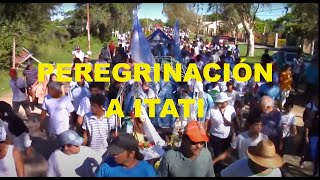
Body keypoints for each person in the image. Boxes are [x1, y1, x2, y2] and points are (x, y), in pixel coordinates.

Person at [204, 92, 238, 173]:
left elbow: (235, 123)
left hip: (227, 137)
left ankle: (225, 171)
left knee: (225, 155)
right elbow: (207, 122)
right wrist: (206, 133)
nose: (225, 103)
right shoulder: (212, 110)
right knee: (217, 154)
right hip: (216, 136)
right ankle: (217, 172)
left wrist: (231, 125)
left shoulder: (231, 109)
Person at [40, 81, 74, 149]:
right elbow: (43, 112)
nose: (48, 91)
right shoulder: (46, 98)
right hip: (52, 129)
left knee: (64, 147)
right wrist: (41, 124)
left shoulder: (65, 99)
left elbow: (71, 112)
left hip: (64, 129)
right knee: (53, 147)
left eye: (50, 89)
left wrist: (71, 125)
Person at [300, 95, 319, 175]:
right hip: (312, 134)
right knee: (307, 149)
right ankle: (303, 160)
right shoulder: (311, 108)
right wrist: (307, 135)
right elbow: (306, 120)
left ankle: (315, 171)